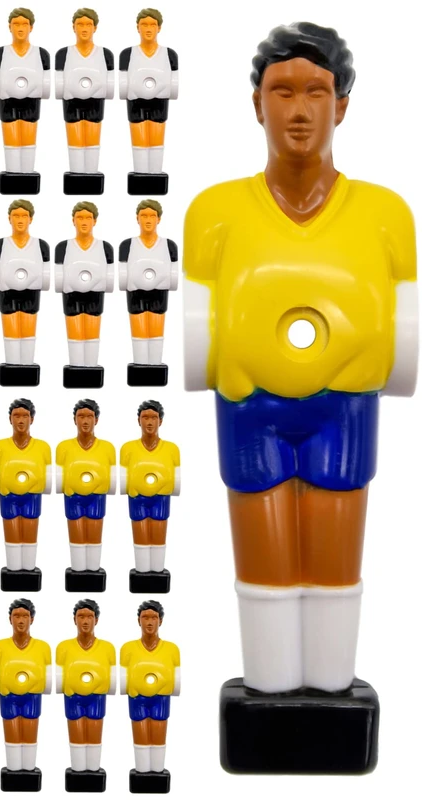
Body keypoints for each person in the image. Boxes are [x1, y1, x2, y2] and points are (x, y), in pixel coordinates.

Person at [183, 22, 416, 770]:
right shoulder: (215, 213)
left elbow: (405, 325)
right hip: (248, 409)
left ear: (343, 104)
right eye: (282, 91)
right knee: (266, 559)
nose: (299, 109)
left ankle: (330, 686)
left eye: (317, 91)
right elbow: (194, 326)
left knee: (333, 556)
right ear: (256, 103)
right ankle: (270, 687)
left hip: (344, 410)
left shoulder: (386, 214)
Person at [0, 598, 51, 788]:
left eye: (25, 616)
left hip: (32, 698)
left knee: (30, 732)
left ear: (32, 619)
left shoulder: (43, 647)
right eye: (16, 616)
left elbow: (47, 675)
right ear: (10, 619)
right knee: (12, 733)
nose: (21, 620)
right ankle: (13, 768)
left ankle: (29, 767)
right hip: (8, 697)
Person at [55, 599, 115, 788]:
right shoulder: (63, 647)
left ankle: (93, 768)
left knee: (95, 732)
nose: (85, 621)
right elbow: (59, 676)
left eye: (90, 616)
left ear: (96, 620)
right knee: (77, 733)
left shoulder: (107, 648)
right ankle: (78, 768)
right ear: (74, 619)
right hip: (73, 698)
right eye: (81, 616)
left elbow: (112, 675)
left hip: (97, 698)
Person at [0, 399, 52, 585]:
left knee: (29, 533)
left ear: (32, 419)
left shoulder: (43, 447)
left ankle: (29, 567)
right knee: (12, 533)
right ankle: (13, 568)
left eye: (25, 416)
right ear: (10, 419)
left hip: (32, 498)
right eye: (16, 415)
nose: (20, 420)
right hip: (8, 497)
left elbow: (47, 475)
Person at [54, 202, 114, 388]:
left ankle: (90, 367)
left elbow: (110, 276)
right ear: (73, 220)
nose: (84, 222)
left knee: (91, 333)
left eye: (88, 217)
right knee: (75, 333)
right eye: (80, 217)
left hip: (95, 297)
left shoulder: (105, 247)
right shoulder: (63, 247)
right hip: (71, 298)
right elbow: (58, 276)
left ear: (95, 221)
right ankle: (76, 366)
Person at [55, 400, 116, 585]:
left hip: (97, 498)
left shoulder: (107, 448)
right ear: (74, 419)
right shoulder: (64, 447)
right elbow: (59, 477)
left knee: (94, 533)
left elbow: (112, 477)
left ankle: (93, 569)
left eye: (90, 416)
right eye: (81, 416)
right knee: (77, 534)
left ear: (96, 420)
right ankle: (78, 569)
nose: (85, 421)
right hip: (73, 498)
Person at [0, 199, 50, 385]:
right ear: (9, 218)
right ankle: (12, 365)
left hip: (31, 295)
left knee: (27, 331)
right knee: (11, 331)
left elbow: (46, 274)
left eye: (24, 215)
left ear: (31, 219)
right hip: (7, 295)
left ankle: (26, 365)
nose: (20, 219)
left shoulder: (41, 245)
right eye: (16, 215)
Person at [120, 600, 180, 786]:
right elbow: (123, 677)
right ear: (138, 620)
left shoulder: (171, 649)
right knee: (141, 733)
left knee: (158, 733)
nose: (149, 622)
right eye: (145, 617)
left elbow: (176, 676)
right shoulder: (128, 649)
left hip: (161, 699)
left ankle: (157, 769)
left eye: (154, 617)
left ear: (160, 621)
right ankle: (142, 770)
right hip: (137, 698)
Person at [118, 200, 178, 385]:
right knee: (139, 329)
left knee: (156, 330)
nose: (148, 219)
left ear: (159, 219)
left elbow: (174, 274)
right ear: (137, 218)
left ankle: (154, 364)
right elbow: (122, 274)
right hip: (135, 295)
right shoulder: (127, 245)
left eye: (152, 215)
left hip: (159, 294)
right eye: (144, 215)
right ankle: (140, 364)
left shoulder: (169, 245)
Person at [54, 8, 114, 192]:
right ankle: (76, 173)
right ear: (73, 27)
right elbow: (59, 82)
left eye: (88, 24)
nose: (84, 28)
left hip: (95, 103)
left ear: (95, 27)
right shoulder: (63, 54)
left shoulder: (105, 54)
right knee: (75, 138)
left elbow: (110, 83)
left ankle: (91, 173)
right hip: (71, 104)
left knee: (92, 139)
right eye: (80, 24)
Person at [0, 7, 50, 192]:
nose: (20, 27)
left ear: (31, 27)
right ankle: (12, 172)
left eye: (24, 24)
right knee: (11, 139)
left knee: (28, 139)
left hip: (32, 103)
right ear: (9, 26)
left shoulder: (41, 54)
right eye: (16, 24)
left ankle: (27, 173)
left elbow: (46, 82)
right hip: (7, 104)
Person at [118, 9, 178, 192]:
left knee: (156, 138)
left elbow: (174, 83)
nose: (148, 28)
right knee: (140, 137)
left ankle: (155, 173)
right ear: (138, 27)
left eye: (153, 24)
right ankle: (141, 172)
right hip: (135, 103)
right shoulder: (127, 54)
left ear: (159, 28)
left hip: (160, 102)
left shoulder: (169, 54)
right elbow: (123, 83)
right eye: (144, 24)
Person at [120, 400, 180, 579]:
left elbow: (176, 477)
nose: (149, 422)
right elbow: (123, 478)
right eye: (145, 417)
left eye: (154, 417)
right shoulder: (128, 449)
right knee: (141, 534)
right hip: (137, 498)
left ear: (160, 421)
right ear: (138, 420)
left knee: (158, 533)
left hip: (161, 499)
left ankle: (157, 569)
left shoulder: (171, 449)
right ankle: (142, 569)